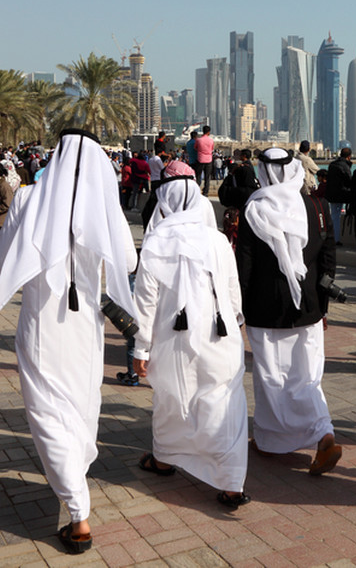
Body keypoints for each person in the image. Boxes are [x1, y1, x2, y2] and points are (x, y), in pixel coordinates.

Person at [0, 128, 138, 554]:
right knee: (79, 404)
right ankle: (76, 489)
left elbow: (2, 260)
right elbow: (127, 261)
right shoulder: (104, 207)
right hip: (85, 329)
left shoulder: (27, 199)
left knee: (48, 412)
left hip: (41, 325)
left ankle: (78, 511)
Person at [132, 166, 250, 508]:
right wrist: (237, 323)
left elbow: (145, 301)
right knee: (225, 405)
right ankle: (231, 484)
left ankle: (165, 459)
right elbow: (232, 290)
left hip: (174, 339)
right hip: (221, 333)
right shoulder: (217, 239)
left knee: (173, 399)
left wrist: (141, 347)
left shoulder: (156, 241)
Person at [235, 148, 342, 475]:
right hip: (307, 306)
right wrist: (322, 307)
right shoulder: (317, 206)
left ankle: (300, 436)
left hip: (265, 308)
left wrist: (236, 309)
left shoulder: (255, 210)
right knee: (307, 375)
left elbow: (245, 267)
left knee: (272, 377)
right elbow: (327, 261)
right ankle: (290, 437)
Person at [324, 148, 353, 244]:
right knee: (336, 216)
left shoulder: (332, 164)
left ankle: (331, 237)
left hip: (331, 194)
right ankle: (335, 239)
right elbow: (349, 180)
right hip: (340, 194)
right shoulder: (345, 166)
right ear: (349, 157)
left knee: (333, 215)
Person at [195, 126, 214, 193]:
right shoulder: (211, 140)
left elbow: (195, 148)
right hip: (208, 160)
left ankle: (196, 190)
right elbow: (212, 149)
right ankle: (206, 192)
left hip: (200, 159)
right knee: (207, 177)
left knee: (198, 176)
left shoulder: (198, 140)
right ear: (209, 132)